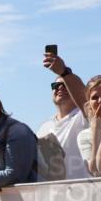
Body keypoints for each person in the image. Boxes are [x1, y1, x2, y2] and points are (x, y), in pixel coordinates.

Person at [39, 51, 90, 180]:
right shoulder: (44, 127)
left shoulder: (84, 118)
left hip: (85, 190)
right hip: (55, 191)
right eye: (56, 85)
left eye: (65, 85)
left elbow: (87, 101)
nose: (60, 88)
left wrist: (64, 72)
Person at [78, 75, 101, 177]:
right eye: (95, 97)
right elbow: (96, 172)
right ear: (89, 104)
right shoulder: (84, 135)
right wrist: (97, 131)